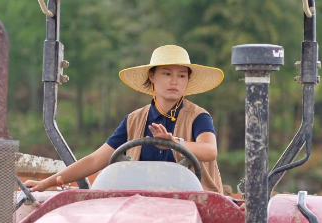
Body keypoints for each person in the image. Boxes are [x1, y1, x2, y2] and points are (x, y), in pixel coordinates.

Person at [24, 45, 225, 194]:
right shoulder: (134, 120)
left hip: (194, 205)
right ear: (152, 77)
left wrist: (174, 143)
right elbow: (95, 160)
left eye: (182, 76)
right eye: (167, 73)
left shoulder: (198, 116)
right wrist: (46, 183)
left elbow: (209, 151)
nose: (175, 81)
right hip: (142, 201)